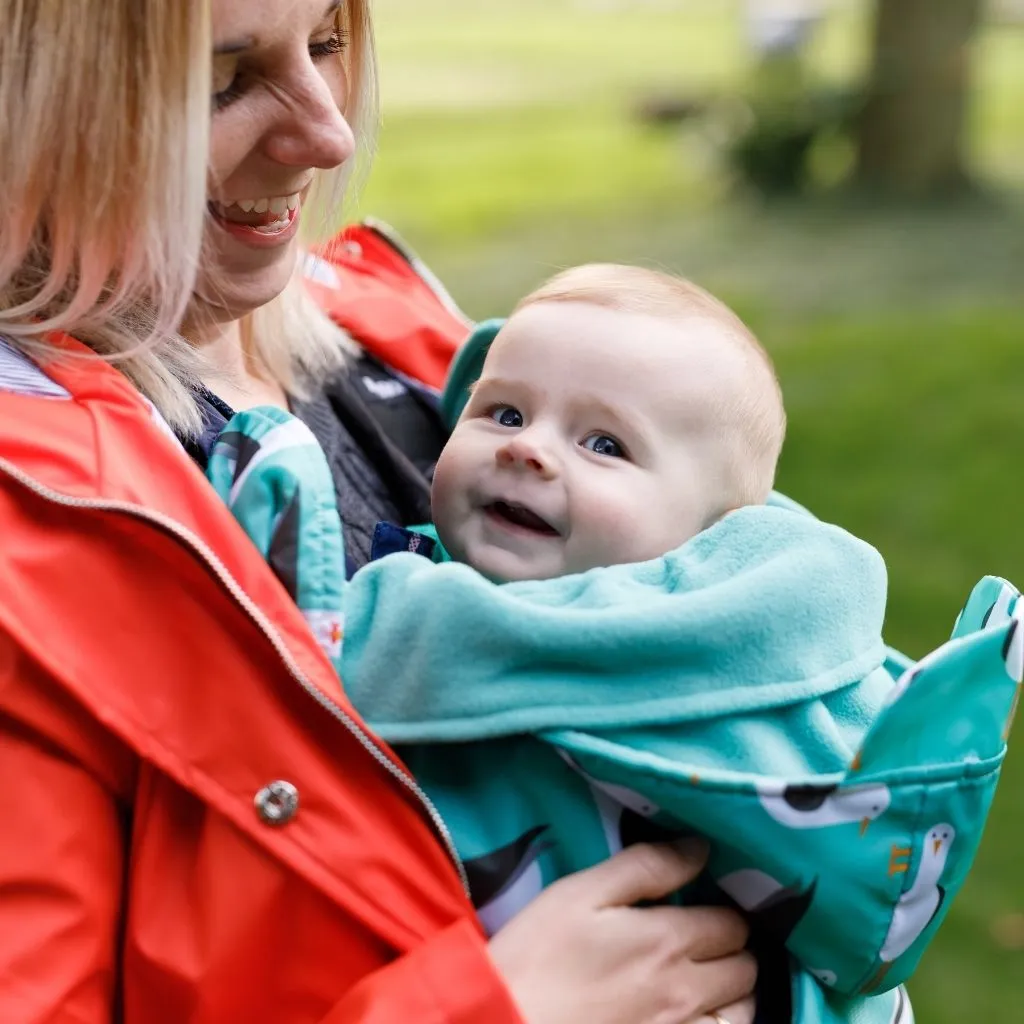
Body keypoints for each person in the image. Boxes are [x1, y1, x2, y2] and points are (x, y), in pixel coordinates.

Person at [0, 1, 762, 1022]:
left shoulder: (390, 329)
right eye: (220, 82)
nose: (328, 132)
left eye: (324, 42)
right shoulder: (31, 542)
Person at [207, 263, 1019, 1023]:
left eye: (605, 445)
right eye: (505, 412)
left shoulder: (688, 636)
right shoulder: (450, 558)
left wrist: (296, 554)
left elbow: (360, 655)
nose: (528, 448)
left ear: (709, 536)